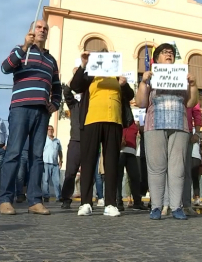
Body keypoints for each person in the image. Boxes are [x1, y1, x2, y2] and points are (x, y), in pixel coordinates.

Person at [0, 20, 62, 215]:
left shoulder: (51, 60)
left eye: (45, 29)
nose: (42, 31)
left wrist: (56, 104)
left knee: (37, 157)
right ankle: (5, 199)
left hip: (42, 112)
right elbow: (4, 68)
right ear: (31, 31)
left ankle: (35, 200)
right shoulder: (20, 50)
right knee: (14, 152)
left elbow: (57, 86)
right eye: (39, 27)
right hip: (20, 108)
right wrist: (25, 46)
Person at [135, 43, 199, 220]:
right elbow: (141, 102)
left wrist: (193, 85)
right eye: (164, 52)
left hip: (179, 124)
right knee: (156, 167)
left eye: (171, 52)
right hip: (154, 124)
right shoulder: (151, 76)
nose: (169, 54)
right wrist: (143, 81)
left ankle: (176, 206)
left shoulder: (181, 75)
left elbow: (191, 102)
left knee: (177, 167)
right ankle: (156, 206)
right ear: (156, 58)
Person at [70, 49, 134, 217]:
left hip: (114, 121)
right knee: (88, 161)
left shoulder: (117, 77)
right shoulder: (90, 74)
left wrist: (124, 84)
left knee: (112, 163)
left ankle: (111, 203)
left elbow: (130, 95)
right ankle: (85, 202)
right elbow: (75, 86)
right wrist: (84, 64)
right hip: (91, 121)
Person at [61, 75, 82, 209]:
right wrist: (74, 78)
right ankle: (66, 199)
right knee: (70, 172)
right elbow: (67, 92)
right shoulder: (74, 105)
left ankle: (86, 200)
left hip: (90, 142)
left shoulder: (93, 105)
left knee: (88, 174)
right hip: (75, 141)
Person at [116, 121, 147, 211]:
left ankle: (137, 202)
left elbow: (143, 130)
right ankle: (118, 202)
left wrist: (140, 127)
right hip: (120, 151)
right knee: (119, 177)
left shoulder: (134, 124)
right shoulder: (119, 121)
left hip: (131, 152)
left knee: (135, 177)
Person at [183, 103, 202, 216]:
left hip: (187, 131)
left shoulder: (190, 87)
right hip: (166, 127)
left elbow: (197, 111)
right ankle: (166, 204)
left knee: (186, 171)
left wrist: (198, 133)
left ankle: (186, 205)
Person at [42, 125, 63, 202]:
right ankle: (46, 196)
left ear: (53, 130)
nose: (50, 130)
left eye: (51, 129)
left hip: (55, 164)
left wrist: (61, 160)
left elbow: (60, 151)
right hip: (45, 163)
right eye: (48, 129)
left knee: (57, 181)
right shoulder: (44, 139)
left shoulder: (57, 141)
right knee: (45, 180)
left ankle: (59, 196)